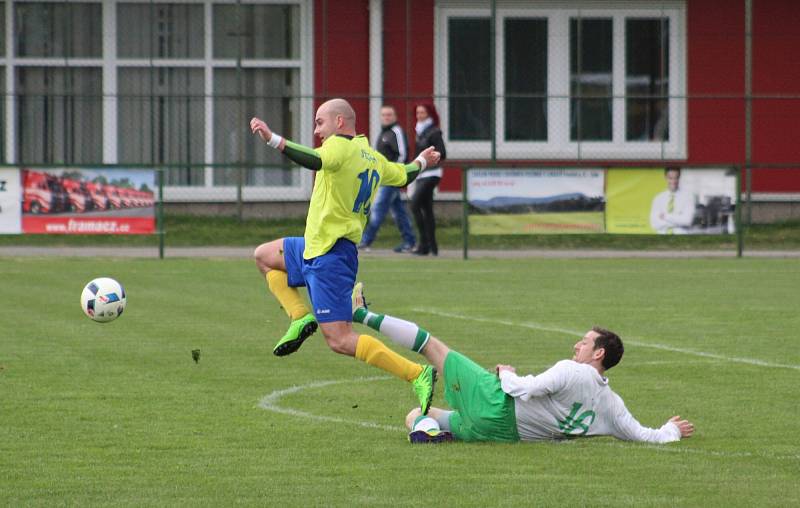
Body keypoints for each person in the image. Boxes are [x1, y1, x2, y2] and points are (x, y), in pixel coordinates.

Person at [249, 98, 441, 414]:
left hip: (331, 256)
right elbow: (404, 174)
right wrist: (421, 160)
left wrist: (272, 139)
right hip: (315, 245)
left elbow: (312, 159)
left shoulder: (339, 146)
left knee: (340, 340)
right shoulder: (373, 157)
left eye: (319, 123)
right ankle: (300, 317)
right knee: (264, 255)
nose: (316, 131)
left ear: (340, 122)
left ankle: (417, 373)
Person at [351, 284, 695, 444]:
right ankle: (431, 433)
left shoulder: (571, 370)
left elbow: (525, 389)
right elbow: (644, 435)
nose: (577, 344)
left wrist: (507, 374)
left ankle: (363, 314)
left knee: (433, 347)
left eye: (585, 341)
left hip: (498, 405)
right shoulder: (611, 404)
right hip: (504, 436)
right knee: (416, 415)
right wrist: (672, 430)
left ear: (599, 353)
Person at [358, 105, 417, 253]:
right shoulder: (383, 133)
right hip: (382, 178)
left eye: (389, 115)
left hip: (391, 178)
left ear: (395, 116)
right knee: (399, 211)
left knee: (378, 208)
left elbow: (403, 154)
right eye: (384, 115)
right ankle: (410, 241)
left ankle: (366, 240)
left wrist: (396, 173)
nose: (386, 117)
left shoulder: (396, 131)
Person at [409, 104, 446, 256]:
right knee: (427, 209)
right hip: (421, 173)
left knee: (414, 204)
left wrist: (435, 156)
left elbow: (442, 152)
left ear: (429, 113)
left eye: (422, 112)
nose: (419, 114)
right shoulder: (418, 130)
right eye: (417, 112)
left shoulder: (434, 131)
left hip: (432, 174)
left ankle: (424, 244)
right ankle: (432, 246)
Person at [650, 167, 695, 234]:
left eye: (676, 178)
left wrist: (665, 216)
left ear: (679, 178)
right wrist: (679, 220)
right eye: (670, 178)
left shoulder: (688, 197)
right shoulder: (658, 198)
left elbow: (687, 221)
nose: (673, 181)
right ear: (665, 178)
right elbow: (654, 224)